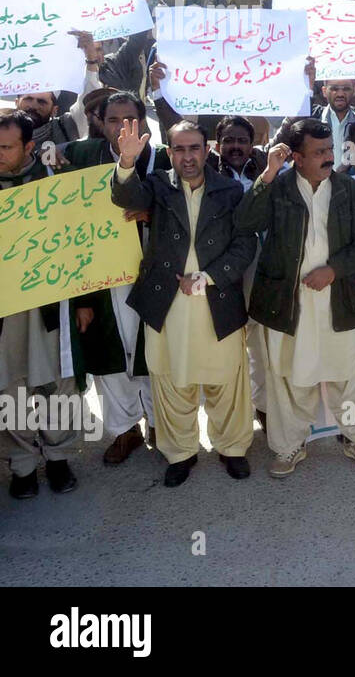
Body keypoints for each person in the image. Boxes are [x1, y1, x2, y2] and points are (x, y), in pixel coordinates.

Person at [110, 119, 257, 487]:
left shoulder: (229, 190)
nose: (187, 156)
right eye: (179, 149)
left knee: (227, 381)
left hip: (216, 297)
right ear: (169, 151)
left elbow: (245, 245)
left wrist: (209, 277)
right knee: (172, 379)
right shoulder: (158, 184)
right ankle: (180, 453)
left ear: (206, 150)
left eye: (194, 148)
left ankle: (233, 448)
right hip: (167, 300)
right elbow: (127, 198)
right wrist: (127, 163)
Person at [236, 120, 355, 477]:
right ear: (297, 157)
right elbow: (245, 222)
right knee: (289, 378)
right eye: (319, 153)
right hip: (288, 302)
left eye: (330, 150)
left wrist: (334, 269)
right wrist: (269, 173)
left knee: (348, 376)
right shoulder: (278, 187)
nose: (328, 158)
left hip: (341, 298)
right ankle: (289, 447)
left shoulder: (348, 189)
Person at [63, 93, 167, 467]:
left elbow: (185, 212)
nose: (122, 127)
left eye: (131, 118)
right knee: (110, 353)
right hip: (102, 276)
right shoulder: (82, 157)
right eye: (113, 120)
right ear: (100, 122)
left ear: (144, 122)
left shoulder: (163, 159)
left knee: (154, 350)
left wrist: (152, 214)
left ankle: (161, 425)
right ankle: (125, 430)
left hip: (153, 272)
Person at [0, 111, 80, 499]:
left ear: (29, 146)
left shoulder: (56, 182)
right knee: (11, 385)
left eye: (5, 147)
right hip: (5, 310)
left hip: (51, 303)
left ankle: (60, 456)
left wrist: (83, 303)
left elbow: (85, 246)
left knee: (56, 384)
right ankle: (23, 464)